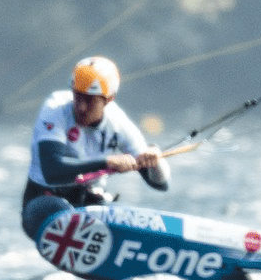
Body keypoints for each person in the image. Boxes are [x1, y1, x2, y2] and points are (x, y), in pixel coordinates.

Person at [21, 55, 168, 237]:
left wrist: (155, 158)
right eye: (78, 96)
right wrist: (106, 162)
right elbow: (52, 171)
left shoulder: (119, 123)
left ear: (109, 99)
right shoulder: (56, 108)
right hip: (42, 205)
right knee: (62, 212)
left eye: (90, 100)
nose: (81, 107)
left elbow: (160, 184)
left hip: (89, 207)